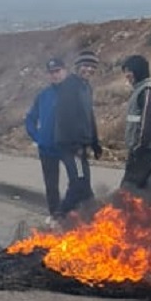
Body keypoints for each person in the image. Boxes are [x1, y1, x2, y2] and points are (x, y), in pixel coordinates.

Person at [53, 50, 103, 217]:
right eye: (85, 66)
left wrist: (95, 142)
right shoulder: (69, 86)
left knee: (84, 184)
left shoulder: (86, 87)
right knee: (77, 182)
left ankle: (90, 220)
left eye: (92, 67)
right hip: (69, 145)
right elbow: (64, 117)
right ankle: (59, 216)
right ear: (78, 67)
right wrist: (74, 145)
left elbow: (89, 116)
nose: (88, 70)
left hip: (82, 144)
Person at [25, 57, 67, 221]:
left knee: (77, 182)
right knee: (51, 186)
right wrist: (38, 137)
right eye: (51, 73)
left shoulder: (73, 92)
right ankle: (55, 215)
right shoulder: (43, 96)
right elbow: (30, 118)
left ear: (65, 71)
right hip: (47, 149)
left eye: (57, 71)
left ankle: (78, 215)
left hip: (69, 148)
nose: (55, 75)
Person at [119, 54, 151, 189]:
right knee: (144, 187)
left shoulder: (146, 92)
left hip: (145, 149)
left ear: (137, 71)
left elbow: (148, 123)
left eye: (129, 72)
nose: (127, 77)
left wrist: (139, 147)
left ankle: (123, 210)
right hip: (146, 148)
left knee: (129, 187)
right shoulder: (142, 90)